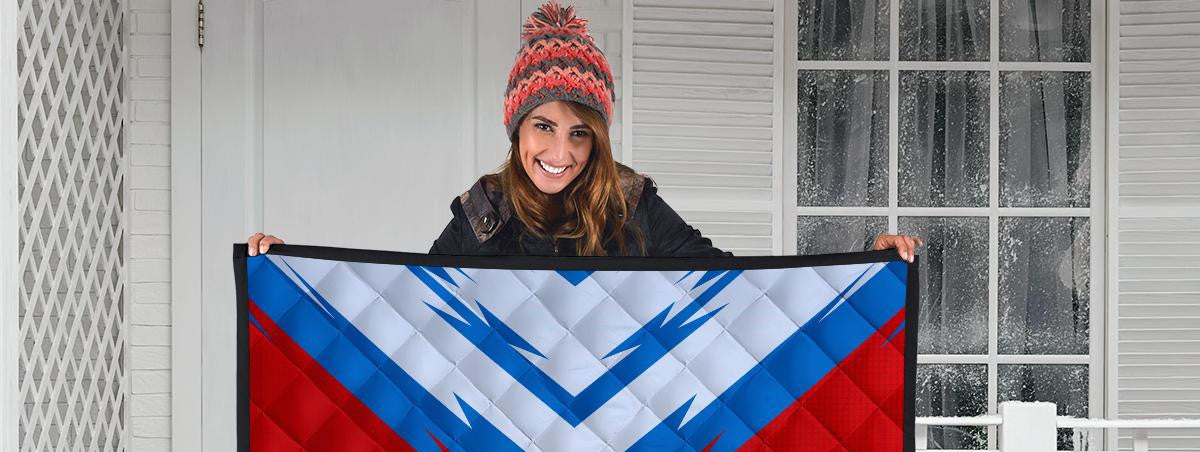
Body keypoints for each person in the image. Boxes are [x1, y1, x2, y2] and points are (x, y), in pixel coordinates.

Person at [247, 2, 920, 262]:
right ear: (517, 129)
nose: (560, 152)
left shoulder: (632, 203)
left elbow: (735, 284)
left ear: (598, 139)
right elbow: (409, 305)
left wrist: (866, 266)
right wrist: (288, 270)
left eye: (580, 134)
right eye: (544, 127)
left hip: (623, 434)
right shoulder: (483, 211)